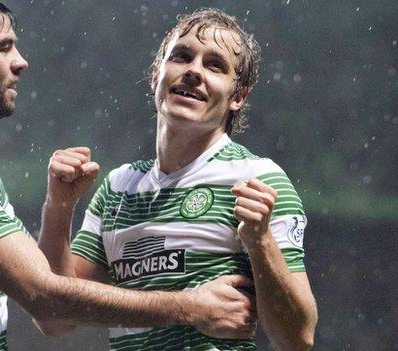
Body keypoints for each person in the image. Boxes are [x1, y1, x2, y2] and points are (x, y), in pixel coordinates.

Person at [0, 2, 259, 350]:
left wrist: (59, 205)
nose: (21, 62)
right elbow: (46, 297)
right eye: (4, 47)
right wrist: (191, 307)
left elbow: (50, 306)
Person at [39, 8, 318, 351]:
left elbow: (298, 339)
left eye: (215, 65)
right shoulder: (117, 188)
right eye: (182, 56)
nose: (194, 71)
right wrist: (59, 206)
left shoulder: (258, 178)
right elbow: (54, 318)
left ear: (238, 96)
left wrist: (260, 243)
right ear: (157, 75)